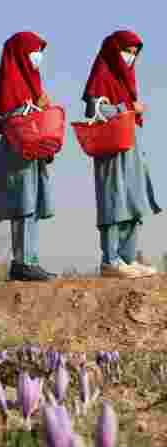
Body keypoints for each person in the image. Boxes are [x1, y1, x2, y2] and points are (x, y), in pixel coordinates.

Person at [82, 30, 159, 279]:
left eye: (134, 54)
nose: (130, 57)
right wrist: (127, 107)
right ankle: (111, 260)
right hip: (112, 146)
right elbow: (95, 109)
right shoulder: (102, 75)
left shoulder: (127, 80)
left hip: (131, 146)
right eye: (127, 52)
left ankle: (128, 258)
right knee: (114, 201)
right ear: (115, 51)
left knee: (134, 200)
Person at [0, 31, 58, 282]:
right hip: (16, 150)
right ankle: (23, 263)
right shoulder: (11, 83)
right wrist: (38, 108)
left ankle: (30, 261)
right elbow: (10, 117)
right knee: (22, 207)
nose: (37, 57)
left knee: (31, 208)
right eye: (33, 51)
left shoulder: (31, 82)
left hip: (31, 152)